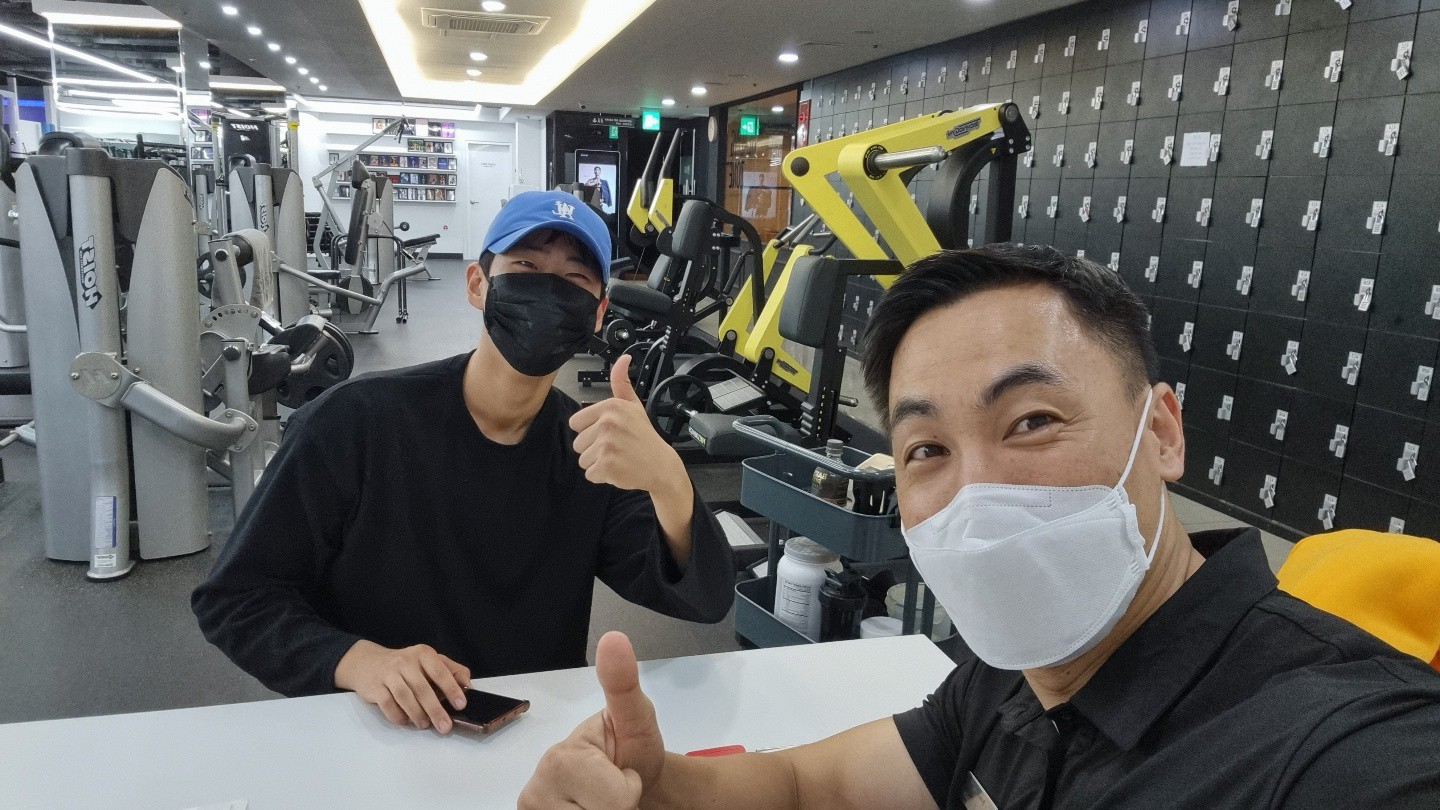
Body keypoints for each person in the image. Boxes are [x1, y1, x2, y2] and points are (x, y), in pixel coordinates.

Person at [519, 244, 1440, 808]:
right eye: (926, 448)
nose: (979, 491)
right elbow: (809, 786)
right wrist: (664, 788)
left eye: (1031, 421)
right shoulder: (1011, 675)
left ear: (1161, 433)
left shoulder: (1343, 753)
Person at [193, 190, 734, 735]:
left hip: (529, 738)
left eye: (573, 279)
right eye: (526, 268)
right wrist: (358, 661)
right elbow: (237, 598)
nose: (548, 291)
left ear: (596, 314)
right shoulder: (355, 422)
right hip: (382, 733)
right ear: (478, 284)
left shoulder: (590, 450)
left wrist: (668, 478)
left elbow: (703, 598)